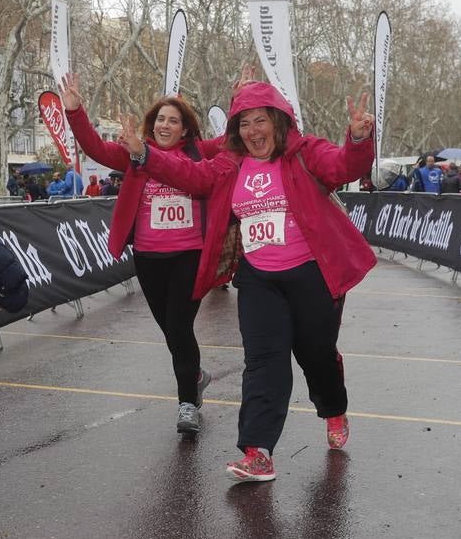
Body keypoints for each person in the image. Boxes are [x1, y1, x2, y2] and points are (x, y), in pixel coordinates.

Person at [119, 82, 376, 483]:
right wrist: (143, 153)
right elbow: (191, 174)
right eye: (244, 123)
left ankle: (334, 408)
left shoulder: (306, 153)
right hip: (259, 279)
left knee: (316, 355)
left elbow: (344, 166)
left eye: (260, 120)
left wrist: (358, 138)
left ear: (277, 122)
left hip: (311, 274)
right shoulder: (229, 164)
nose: (253, 130)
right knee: (263, 362)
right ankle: (258, 451)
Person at [61, 69, 221, 433]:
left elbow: (232, 141)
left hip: (190, 255)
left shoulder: (200, 152)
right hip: (148, 257)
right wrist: (75, 111)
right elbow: (95, 148)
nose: (165, 125)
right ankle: (194, 375)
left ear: (185, 129)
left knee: (179, 327)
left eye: (173, 121)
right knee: (171, 331)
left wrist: (242, 101)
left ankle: (187, 405)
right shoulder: (135, 153)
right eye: (160, 119)